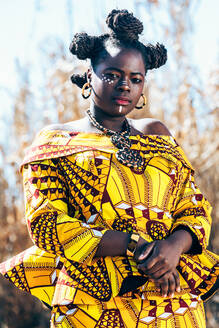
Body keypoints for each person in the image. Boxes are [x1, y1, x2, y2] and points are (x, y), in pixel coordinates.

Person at [0, 9, 218, 328]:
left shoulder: (158, 134)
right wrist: (135, 245)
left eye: (135, 78)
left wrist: (173, 248)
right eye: (112, 75)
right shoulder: (56, 141)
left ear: (144, 85)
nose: (124, 86)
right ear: (90, 76)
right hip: (93, 303)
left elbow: (194, 207)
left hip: (170, 298)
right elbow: (46, 223)